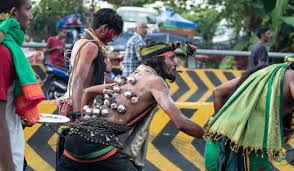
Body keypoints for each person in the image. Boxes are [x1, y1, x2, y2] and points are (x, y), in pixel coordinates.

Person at [56, 41, 203, 171]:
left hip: (74, 137)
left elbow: (87, 92)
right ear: (158, 60)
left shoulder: (131, 78)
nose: (175, 64)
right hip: (98, 143)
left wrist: (81, 120)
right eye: (171, 58)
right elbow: (181, 123)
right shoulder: (156, 81)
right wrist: (210, 136)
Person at [204, 56, 294, 170]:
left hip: (215, 145)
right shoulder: (291, 76)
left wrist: (227, 130)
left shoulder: (262, 72)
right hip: (247, 152)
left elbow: (218, 92)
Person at [0, 0, 45, 170]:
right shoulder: (4, 51)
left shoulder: (9, 48)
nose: (31, 16)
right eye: (28, 9)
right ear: (13, 12)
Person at [59, 8, 123, 116]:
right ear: (104, 28)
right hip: (80, 107)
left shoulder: (83, 42)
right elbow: (78, 80)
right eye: (114, 33)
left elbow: (91, 76)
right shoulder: (91, 46)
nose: (113, 39)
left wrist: (118, 84)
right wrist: (78, 113)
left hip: (82, 105)